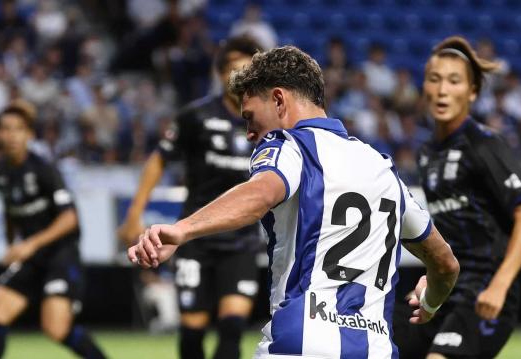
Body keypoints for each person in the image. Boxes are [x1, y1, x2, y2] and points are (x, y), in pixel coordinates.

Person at [129, 45, 460, 358]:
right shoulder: (384, 169)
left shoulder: (290, 146)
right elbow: (446, 264)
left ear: (278, 100)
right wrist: (429, 303)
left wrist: (183, 229)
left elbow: (260, 193)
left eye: (249, 116)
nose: (248, 133)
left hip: (300, 345)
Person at [392, 36, 521, 359]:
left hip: (484, 291)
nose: (443, 89)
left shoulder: (484, 145)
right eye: (435, 79)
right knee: (374, 344)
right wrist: (433, 273)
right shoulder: (426, 154)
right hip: (444, 287)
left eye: (454, 81)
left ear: (472, 93)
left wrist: (500, 286)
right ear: (425, 88)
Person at [117, 36, 263, 359]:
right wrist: (134, 213)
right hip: (196, 238)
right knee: (192, 333)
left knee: (232, 330)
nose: (236, 74)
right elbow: (159, 159)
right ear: (220, 73)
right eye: (229, 68)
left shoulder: (266, 120)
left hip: (242, 241)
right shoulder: (195, 117)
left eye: (245, 68)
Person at [0, 102, 107, 359]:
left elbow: (70, 219)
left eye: (18, 129)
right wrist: (11, 244)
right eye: (5, 129)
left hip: (60, 255)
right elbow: (10, 211)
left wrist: (30, 244)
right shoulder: (0, 172)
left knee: (55, 328)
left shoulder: (44, 170)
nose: (12, 135)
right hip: (32, 256)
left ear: (29, 135)